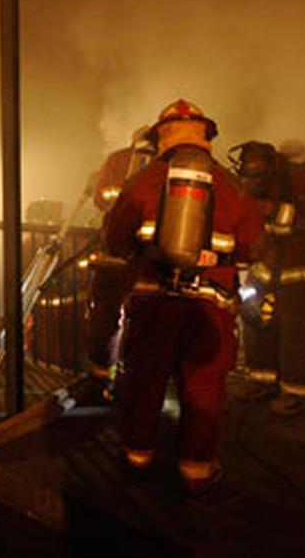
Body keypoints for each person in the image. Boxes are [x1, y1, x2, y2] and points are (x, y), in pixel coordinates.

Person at [103, 99, 262, 494]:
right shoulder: (232, 184)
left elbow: (115, 240)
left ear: (162, 136)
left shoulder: (143, 180)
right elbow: (253, 247)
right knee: (204, 388)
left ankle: (137, 457)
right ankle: (196, 469)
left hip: (154, 300)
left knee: (145, 380)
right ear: (206, 134)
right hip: (211, 306)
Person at [232, 140, 305, 416]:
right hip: (266, 268)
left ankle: (297, 393)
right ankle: (262, 381)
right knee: (255, 317)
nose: (250, 179)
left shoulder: (298, 180)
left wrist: (273, 213)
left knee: (293, 329)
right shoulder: (262, 185)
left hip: (298, 270)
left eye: (254, 173)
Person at [86, 125, 154, 385]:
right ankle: (137, 373)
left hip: (113, 251)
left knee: (105, 313)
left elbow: (100, 200)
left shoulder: (116, 159)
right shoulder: (164, 164)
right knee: (144, 316)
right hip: (147, 257)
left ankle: (102, 375)